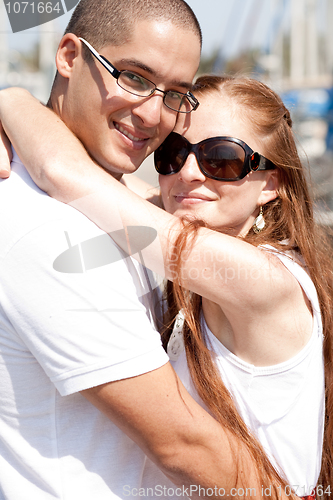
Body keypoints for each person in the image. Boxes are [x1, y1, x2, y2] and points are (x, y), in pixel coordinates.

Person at [1, 74, 331, 499]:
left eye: (222, 159)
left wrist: (10, 98)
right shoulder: (202, 228)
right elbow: (104, 185)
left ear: (270, 183)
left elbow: (67, 175)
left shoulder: (261, 280)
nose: (190, 173)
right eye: (173, 154)